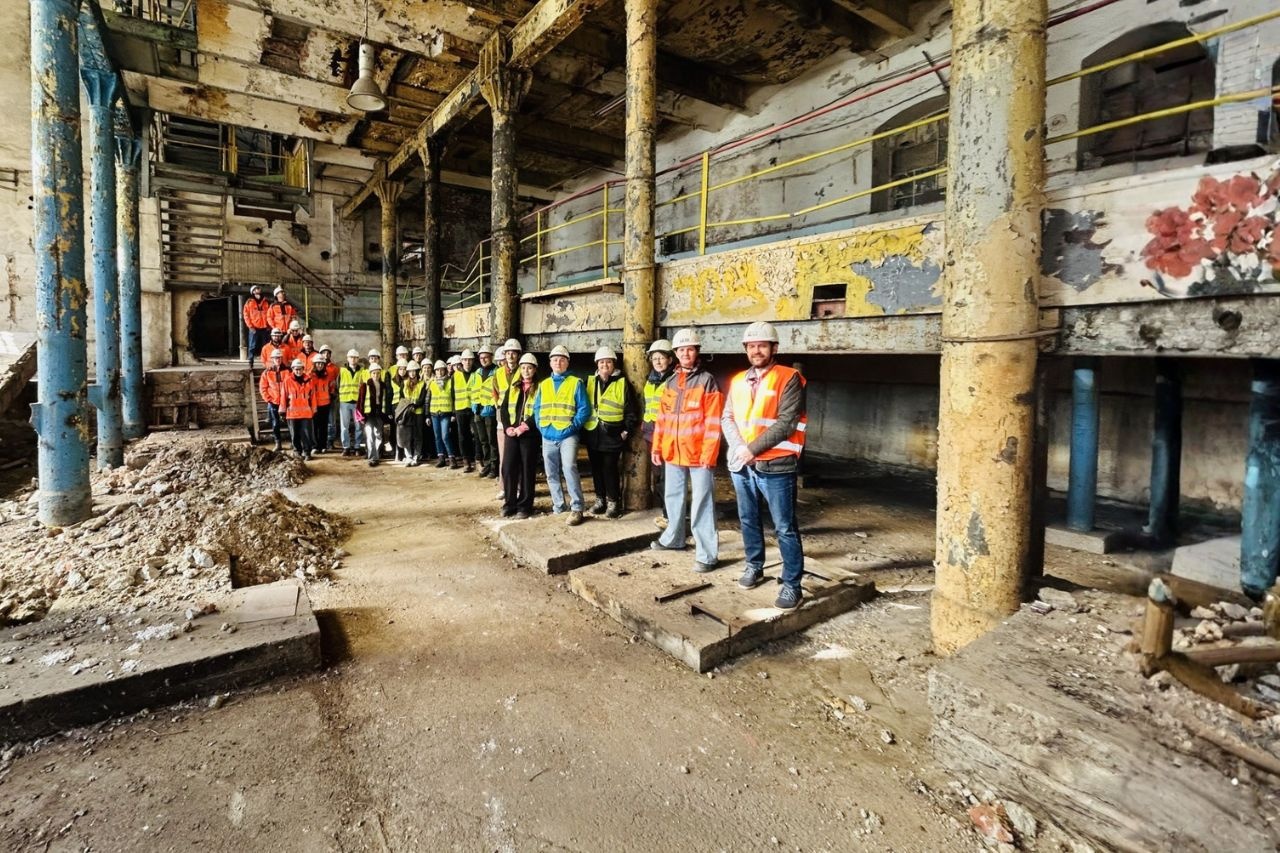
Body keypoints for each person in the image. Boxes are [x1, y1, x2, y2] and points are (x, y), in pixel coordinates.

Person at [722, 321, 808, 610]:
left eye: (762, 345)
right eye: (751, 346)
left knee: (784, 527)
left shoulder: (789, 377)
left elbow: (786, 423)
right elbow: (727, 417)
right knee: (748, 518)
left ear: (774, 348)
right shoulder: (738, 380)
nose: (756, 350)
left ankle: (792, 584)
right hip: (742, 464)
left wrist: (751, 450)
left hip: (776, 465)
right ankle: (754, 565)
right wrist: (739, 448)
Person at [651, 328, 723, 573]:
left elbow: (713, 421)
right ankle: (674, 538)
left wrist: (709, 453)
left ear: (697, 352)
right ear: (675, 353)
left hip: (699, 453)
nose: (685, 354)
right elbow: (662, 419)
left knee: (703, 502)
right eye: (681, 350)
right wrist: (657, 447)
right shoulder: (671, 382)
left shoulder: (707, 381)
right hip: (673, 451)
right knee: (673, 496)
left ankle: (707, 554)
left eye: (690, 349)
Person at [534, 345, 589, 526]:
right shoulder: (543, 385)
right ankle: (558, 506)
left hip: (568, 435)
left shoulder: (576, 383)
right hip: (547, 434)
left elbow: (584, 409)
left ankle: (577, 507)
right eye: (555, 359)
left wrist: (572, 427)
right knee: (551, 473)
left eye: (562, 359)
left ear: (567, 362)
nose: (558, 362)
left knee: (569, 467)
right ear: (550, 363)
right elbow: (537, 408)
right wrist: (541, 428)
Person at [584, 346, 639, 518]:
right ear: (597, 364)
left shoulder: (622, 383)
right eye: (601, 362)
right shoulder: (590, 381)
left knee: (610, 468)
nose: (605, 365)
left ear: (614, 364)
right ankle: (600, 500)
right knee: (596, 468)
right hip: (593, 432)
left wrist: (626, 431)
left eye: (608, 362)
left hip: (613, 434)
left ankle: (613, 502)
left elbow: (631, 410)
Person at [499, 353, 540, 519]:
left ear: (535, 370)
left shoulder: (540, 388)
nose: (526, 371)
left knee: (527, 469)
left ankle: (524, 506)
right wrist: (507, 427)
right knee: (508, 467)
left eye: (529, 368)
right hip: (512, 433)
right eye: (523, 368)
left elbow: (539, 411)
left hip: (529, 435)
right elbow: (503, 409)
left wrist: (524, 427)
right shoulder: (514, 387)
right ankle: (509, 504)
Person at [643, 339, 675, 528]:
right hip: (651, 434)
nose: (658, 361)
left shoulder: (674, 380)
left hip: (667, 434)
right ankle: (666, 511)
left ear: (670, 359)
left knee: (668, 476)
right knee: (658, 475)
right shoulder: (651, 380)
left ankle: (670, 515)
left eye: (661, 358)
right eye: (655, 358)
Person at [493, 338, 522, 499]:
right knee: (503, 455)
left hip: (518, 418)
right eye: (508, 353)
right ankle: (504, 488)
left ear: (518, 355)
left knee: (517, 456)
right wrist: (499, 406)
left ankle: (518, 487)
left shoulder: (523, 370)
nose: (510, 356)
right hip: (502, 419)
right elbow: (495, 392)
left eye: (513, 353)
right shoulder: (498, 373)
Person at [470, 344, 499, 479]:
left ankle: (494, 467)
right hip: (478, 411)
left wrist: (493, 405)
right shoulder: (477, 373)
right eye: (481, 358)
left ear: (491, 357)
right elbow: (474, 390)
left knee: (492, 440)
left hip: (490, 411)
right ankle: (487, 464)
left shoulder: (497, 372)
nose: (483, 360)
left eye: (486, 357)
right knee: (483, 440)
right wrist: (474, 403)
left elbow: (499, 391)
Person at [282, 357, 319, 460]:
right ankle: (297, 451)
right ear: (293, 369)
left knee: (306, 434)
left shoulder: (309, 381)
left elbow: (313, 397)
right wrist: (282, 410)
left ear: (303, 369)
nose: (298, 371)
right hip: (292, 414)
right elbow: (283, 396)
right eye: (296, 369)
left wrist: (314, 410)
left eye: (300, 369)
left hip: (306, 414)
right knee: (294, 435)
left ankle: (307, 452)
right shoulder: (287, 381)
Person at [395, 360, 427, 466]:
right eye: (410, 371)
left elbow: (422, 399)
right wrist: (408, 407)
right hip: (407, 413)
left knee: (418, 435)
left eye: (414, 371)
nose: (412, 373)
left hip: (418, 413)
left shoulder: (422, 384)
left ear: (417, 372)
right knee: (406, 435)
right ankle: (408, 456)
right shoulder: (404, 383)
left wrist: (414, 405)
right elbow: (401, 398)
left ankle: (416, 456)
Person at [428, 360, 459, 468]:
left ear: (445, 370)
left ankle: (452, 458)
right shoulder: (432, 383)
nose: (440, 372)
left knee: (445, 436)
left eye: (441, 370)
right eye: (437, 370)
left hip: (446, 413)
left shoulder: (450, 382)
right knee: (437, 436)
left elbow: (455, 398)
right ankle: (441, 458)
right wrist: (427, 415)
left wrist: (454, 414)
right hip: (434, 413)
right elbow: (428, 399)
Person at [356, 364, 388, 467]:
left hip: (379, 412)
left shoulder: (383, 385)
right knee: (370, 435)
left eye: (378, 373)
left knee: (378, 434)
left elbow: (385, 400)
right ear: (370, 374)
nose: (376, 375)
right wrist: (360, 415)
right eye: (374, 373)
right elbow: (360, 401)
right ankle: (372, 458)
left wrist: (385, 414)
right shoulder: (365, 385)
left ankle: (377, 455)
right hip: (369, 413)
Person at [258, 347, 288, 452]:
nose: (278, 359)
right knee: (275, 423)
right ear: (272, 359)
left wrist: (289, 399)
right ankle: (278, 443)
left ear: (282, 358)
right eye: (276, 358)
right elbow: (263, 388)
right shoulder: (267, 372)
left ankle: (294, 443)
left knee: (291, 423)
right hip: (273, 402)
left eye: (279, 357)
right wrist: (269, 399)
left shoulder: (288, 371)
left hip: (286, 402)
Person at [453, 349, 478, 473]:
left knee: (477, 435)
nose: (467, 362)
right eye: (465, 360)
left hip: (474, 409)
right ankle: (466, 460)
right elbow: (452, 394)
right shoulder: (455, 375)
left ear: (473, 361)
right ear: (461, 361)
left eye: (470, 360)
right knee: (463, 436)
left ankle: (478, 459)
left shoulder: (477, 373)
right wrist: (453, 411)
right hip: (460, 408)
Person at [338, 349, 365, 457]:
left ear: (358, 359)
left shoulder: (362, 371)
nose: (353, 359)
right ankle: (346, 447)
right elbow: (337, 384)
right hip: (345, 401)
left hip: (357, 402)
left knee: (359, 426)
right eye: (351, 357)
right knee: (345, 426)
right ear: (347, 358)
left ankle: (357, 447)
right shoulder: (342, 371)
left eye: (355, 357)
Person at [242, 285, 271, 368]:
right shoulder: (249, 302)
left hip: (264, 328)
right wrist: (250, 327)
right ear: (253, 292)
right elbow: (246, 315)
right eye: (256, 289)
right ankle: (250, 362)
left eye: (258, 288)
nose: (258, 290)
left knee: (266, 346)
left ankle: (267, 362)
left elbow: (269, 314)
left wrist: (268, 326)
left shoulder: (266, 302)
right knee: (252, 346)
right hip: (254, 328)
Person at [310, 353, 334, 455]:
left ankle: (323, 446)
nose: (320, 365)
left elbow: (332, 386)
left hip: (325, 403)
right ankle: (315, 446)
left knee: (324, 426)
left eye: (321, 363)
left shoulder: (328, 375)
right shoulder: (310, 376)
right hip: (314, 404)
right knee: (314, 426)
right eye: (318, 363)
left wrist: (331, 394)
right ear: (314, 364)